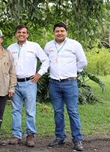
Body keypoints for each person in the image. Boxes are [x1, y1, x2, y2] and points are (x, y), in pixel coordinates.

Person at [41, 22, 87, 151]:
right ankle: (59, 137)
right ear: (53, 32)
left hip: (70, 83)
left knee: (73, 111)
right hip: (54, 83)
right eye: (57, 31)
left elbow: (83, 61)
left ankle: (77, 140)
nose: (60, 33)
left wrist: (73, 71)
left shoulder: (74, 44)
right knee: (58, 112)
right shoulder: (48, 46)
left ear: (66, 32)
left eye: (62, 31)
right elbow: (45, 61)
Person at [7, 24, 50, 147]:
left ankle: (30, 135)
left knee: (30, 111)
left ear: (27, 34)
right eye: (19, 32)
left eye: (24, 32)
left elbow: (46, 61)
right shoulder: (11, 48)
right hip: (15, 83)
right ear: (16, 34)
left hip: (30, 83)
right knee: (16, 110)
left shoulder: (34, 46)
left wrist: (39, 74)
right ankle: (16, 135)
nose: (21, 34)